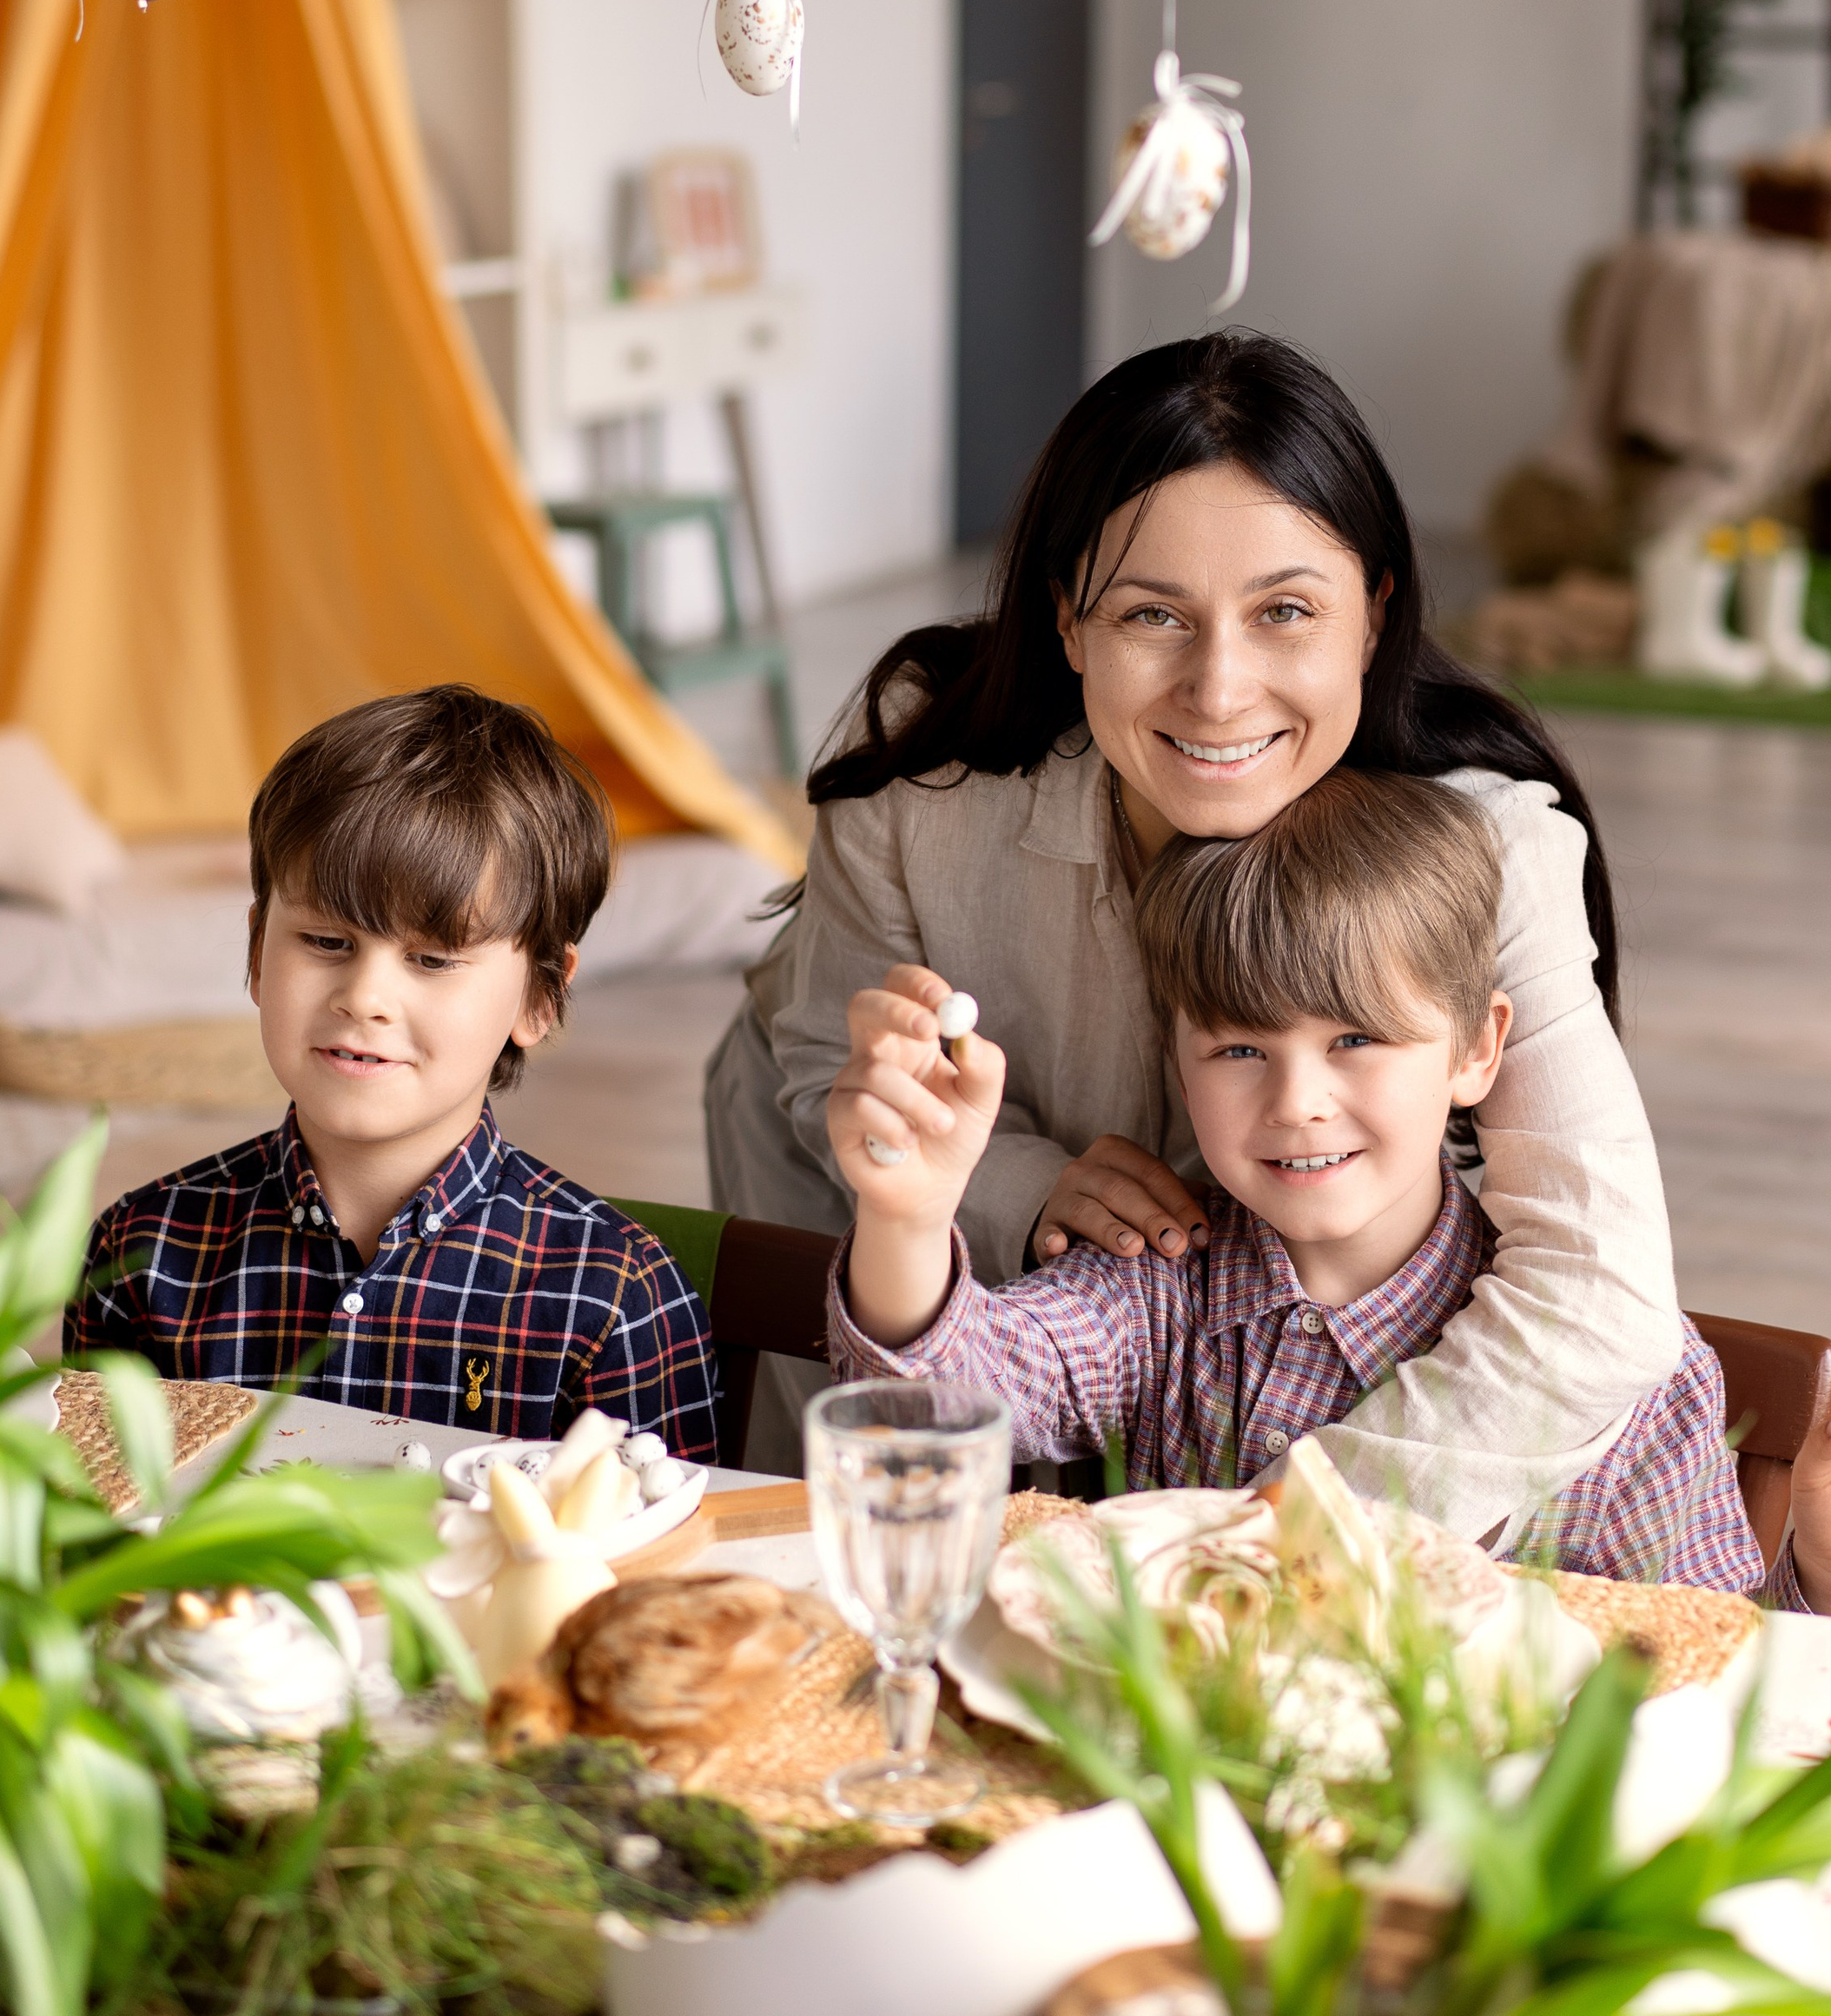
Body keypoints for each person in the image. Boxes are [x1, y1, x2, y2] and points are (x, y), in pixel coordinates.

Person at [709, 330, 1676, 1532]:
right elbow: (815, 1060)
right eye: (1152, 617)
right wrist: (1018, 1178)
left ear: (1371, 618)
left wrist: (1281, 1541)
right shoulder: (923, 786)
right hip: (871, 1206)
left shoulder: (1492, 853)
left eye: (1283, 611)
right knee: (862, 1533)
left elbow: (1599, 1286)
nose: (1219, 690)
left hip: (1250, 1376)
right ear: (1069, 624)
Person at [825, 770, 1831, 1616]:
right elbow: (933, 1411)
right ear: (1175, 1052)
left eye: (1357, 1041)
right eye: (1237, 1050)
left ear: (1478, 1051)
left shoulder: (1620, 1385)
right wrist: (908, 1217)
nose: (1298, 1102)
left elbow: (1709, 1690)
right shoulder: (1158, 1286)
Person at [68, 686, 719, 1451]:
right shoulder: (142, 1250)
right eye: (326, 942)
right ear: (255, 949)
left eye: (433, 959)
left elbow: (666, 1555)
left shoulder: (611, 1296)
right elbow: (97, 1530)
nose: (366, 997)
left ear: (539, 996)